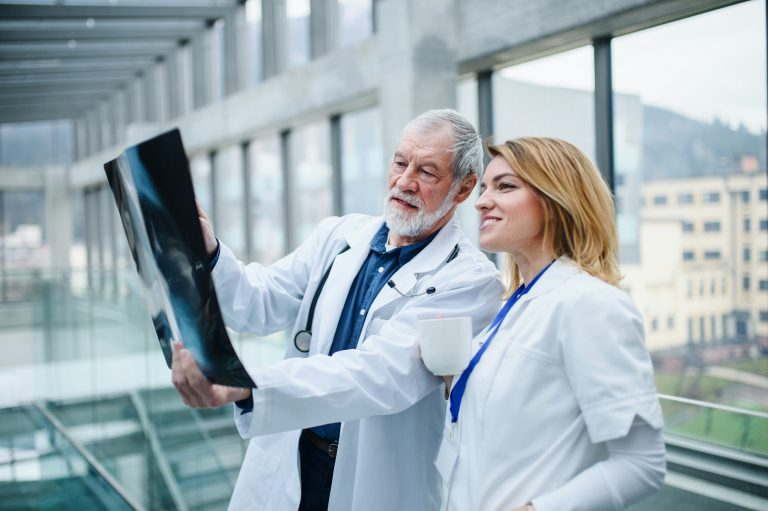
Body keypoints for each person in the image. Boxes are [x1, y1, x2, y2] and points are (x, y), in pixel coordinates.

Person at [171, 109, 504, 510]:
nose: (404, 181)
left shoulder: (471, 280)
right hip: (296, 457)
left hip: (375, 484)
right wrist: (209, 250)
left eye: (427, 172)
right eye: (400, 163)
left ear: (464, 188)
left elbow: (380, 375)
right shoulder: (339, 235)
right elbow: (259, 303)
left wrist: (246, 384)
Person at [437, 137, 666, 511]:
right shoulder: (514, 305)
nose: (481, 202)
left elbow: (642, 464)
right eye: (484, 189)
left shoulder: (590, 304)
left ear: (556, 200)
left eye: (505, 186)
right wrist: (454, 377)